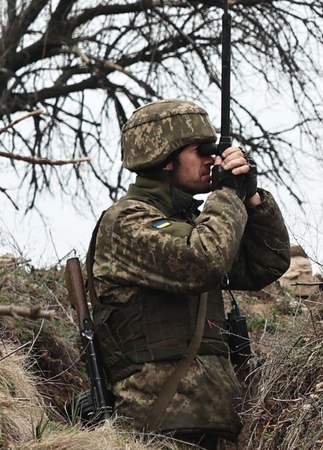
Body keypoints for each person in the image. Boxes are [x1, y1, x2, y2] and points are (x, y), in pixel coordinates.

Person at [88, 99, 291, 449]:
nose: (212, 160)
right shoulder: (125, 223)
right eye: (202, 151)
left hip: (214, 425)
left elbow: (266, 263)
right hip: (152, 429)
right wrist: (227, 194)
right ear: (165, 159)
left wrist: (251, 196)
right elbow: (204, 261)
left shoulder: (193, 225)